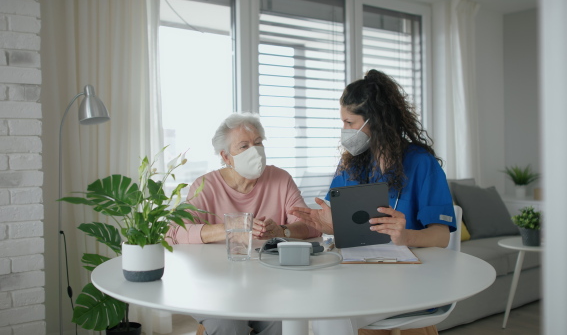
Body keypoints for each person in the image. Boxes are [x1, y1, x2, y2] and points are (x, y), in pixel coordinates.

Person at [289, 69, 457, 335]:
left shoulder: (421, 163)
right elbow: (349, 228)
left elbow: (441, 237)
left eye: (350, 123)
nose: (344, 131)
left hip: (410, 280)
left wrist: (406, 237)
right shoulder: (351, 165)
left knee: (336, 312)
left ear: (374, 121)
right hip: (358, 277)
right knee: (324, 310)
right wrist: (330, 226)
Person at [167, 112, 320, 335]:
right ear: (226, 157)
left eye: (258, 143)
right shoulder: (205, 186)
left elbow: (311, 224)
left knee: (282, 323)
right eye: (244, 146)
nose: (255, 151)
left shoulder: (280, 179)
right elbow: (174, 232)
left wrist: (282, 230)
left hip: (271, 284)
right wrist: (229, 229)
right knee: (229, 325)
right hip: (215, 285)